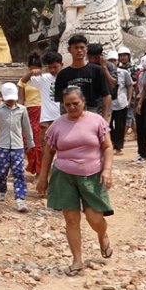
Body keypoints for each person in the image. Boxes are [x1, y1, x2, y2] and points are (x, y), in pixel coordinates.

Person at [34, 87, 114, 276]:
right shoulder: (57, 125)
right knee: (71, 219)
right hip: (64, 176)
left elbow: (108, 147)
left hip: (92, 174)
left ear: (83, 102)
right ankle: (77, 260)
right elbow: (49, 152)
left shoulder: (96, 121)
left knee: (94, 218)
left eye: (75, 103)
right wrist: (43, 178)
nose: (71, 107)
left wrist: (107, 170)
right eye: (67, 104)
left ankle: (102, 234)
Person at [0, 83, 35, 212]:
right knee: (1, 172)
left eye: (13, 98)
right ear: (4, 97)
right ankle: (1, 189)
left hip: (17, 147)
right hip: (2, 146)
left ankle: (20, 200)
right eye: (8, 98)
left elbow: (27, 128)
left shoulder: (22, 110)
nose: (11, 100)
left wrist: (31, 144)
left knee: (19, 173)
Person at [54, 34, 112, 116]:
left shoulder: (97, 70)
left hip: (91, 111)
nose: (79, 50)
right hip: (71, 112)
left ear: (86, 49)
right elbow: (61, 100)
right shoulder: (63, 74)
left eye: (82, 47)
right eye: (76, 47)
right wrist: (65, 118)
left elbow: (106, 95)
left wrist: (104, 118)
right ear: (69, 49)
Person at [20, 51, 64, 138]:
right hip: (46, 120)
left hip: (62, 118)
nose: (52, 70)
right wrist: (32, 72)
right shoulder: (44, 78)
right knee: (45, 147)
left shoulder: (67, 77)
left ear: (62, 64)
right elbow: (23, 81)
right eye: (50, 67)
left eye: (55, 67)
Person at [20, 53, 45, 174]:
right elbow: (21, 99)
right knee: (28, 140)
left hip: (42, 111)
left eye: (36, 68)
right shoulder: (24, 81)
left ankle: (40, 169)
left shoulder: (45, 79)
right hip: (28, 111)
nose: (34, 71)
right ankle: (33, 165)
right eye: (31, 68)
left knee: (39, 140)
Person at [106, 50, 134, 155]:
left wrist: (129, 99)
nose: (112, 63)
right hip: (108, 104)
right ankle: (112, 143)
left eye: (114, 60)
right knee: (108, 126)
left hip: (121, 103)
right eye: (110, 61)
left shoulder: (124, 72)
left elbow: (129, 85)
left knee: (120, 126)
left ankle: (118, 147)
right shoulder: (103, 72)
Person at [87, 43, 119, 124]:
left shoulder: (109, 66)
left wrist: (104, 68)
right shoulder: (86, 67)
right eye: (90, 57)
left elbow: (113, 83)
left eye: (95, 58)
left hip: (105, 104)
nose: (92, 60)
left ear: (101, 56)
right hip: (91, 105)